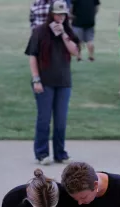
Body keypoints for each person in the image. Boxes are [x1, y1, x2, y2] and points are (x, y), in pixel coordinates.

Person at [25, 1, 79, 165]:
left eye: (63, 15)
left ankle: (60, 153)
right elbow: (32, 56)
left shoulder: (68, 31)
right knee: (44, 119)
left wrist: (63, 35)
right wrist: (36, 79)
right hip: (44, 81)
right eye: (57, 14)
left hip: (63, 82)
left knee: (61, 120)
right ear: (51, 14)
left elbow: (75, 51)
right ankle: (41, 153)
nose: (60, 17)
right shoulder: (40, 31)